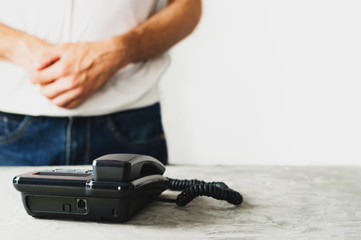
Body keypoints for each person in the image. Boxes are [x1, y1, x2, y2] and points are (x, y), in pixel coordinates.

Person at [0, 0, 202, 166]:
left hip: (130, 119)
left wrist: (122, 50)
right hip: (12, 123)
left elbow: (188, 7)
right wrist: (27, 51)